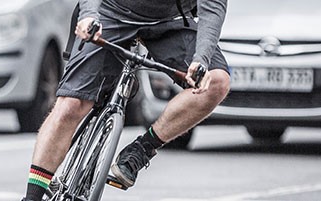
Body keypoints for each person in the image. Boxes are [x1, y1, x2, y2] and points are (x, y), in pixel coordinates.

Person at [22, 0, 230, 200]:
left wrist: (200, 59)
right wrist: (89, 16)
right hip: (110, 11)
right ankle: (32, 197)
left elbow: (213, 6)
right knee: (71, 105)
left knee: (216, 82)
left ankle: (143, 148)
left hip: (173, 21)